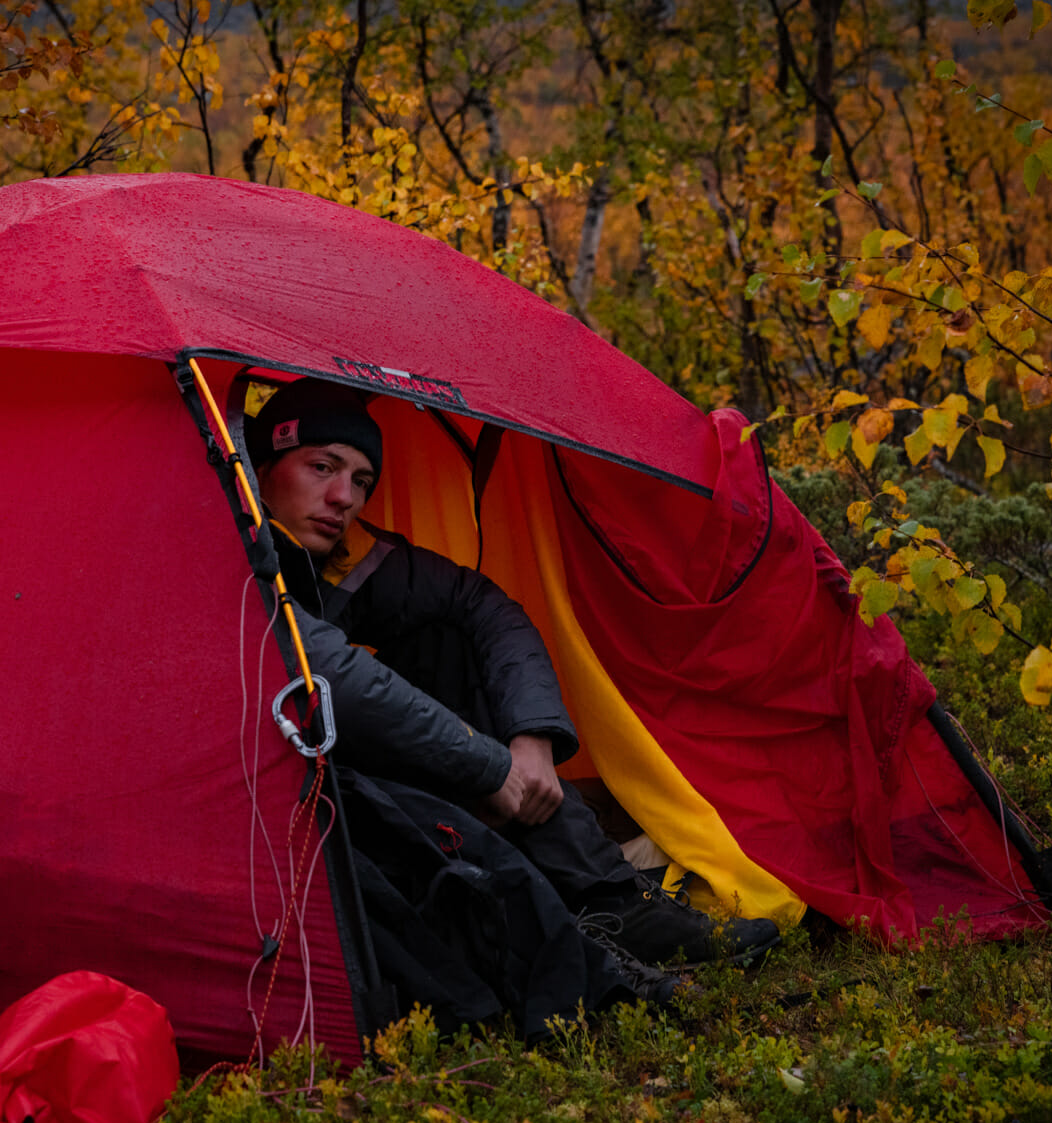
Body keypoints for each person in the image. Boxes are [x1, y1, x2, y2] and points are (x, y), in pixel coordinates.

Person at [241, 377, 779, 1007]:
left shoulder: (340, 556)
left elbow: (484, 606)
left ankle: (612, 904)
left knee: (447, 634)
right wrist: (489, 768)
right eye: (322, 467)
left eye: (361, 480)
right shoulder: (224, 547)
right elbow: (323, 667)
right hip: (264, 796)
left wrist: (533, 740)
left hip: (341, 765)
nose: (344, 498)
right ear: (263, 464)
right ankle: (562, 935)